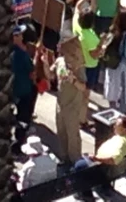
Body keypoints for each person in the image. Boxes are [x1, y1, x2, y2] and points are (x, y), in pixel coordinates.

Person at [70, 115, 126, 201]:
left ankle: (87, 196)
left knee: (79, 167)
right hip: (125, 166)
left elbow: (114, 160)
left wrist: (96, 159)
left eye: (117, 125)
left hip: (107, 170)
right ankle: (99, 190)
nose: (114, 126)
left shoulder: (121, 143)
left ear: (125, 130)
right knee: (82, 165)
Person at [54, 35, 86, 164]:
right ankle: (65, 158)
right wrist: (45, 63)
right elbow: (50, 74)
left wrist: (74, 81)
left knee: (73, 135)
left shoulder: (78, 67)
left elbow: (83, 87)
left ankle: (76, 161)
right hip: (60, 104)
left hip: (72, 106)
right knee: (61, 132)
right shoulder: (60, 61)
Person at [72, 8, 103, 125]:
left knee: (78, 92)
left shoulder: (76, 27)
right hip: (90, 67)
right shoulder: (92, 38)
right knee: (85, 96)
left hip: (79, 64)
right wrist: (101, 48)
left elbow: (76, 11)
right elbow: (94, 55)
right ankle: (82, 120)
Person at [103, 11, 126, 110]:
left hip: (111, 65)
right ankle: (121, 116)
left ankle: (111, 111)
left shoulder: (111, 32)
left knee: (111, 89)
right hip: (122, 67)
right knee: (122, 92)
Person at [12, 24, 36, 144]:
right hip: (23, 90)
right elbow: (31, 72)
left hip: (13, 90)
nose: (22, 36)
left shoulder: (12, 52)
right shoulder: (21, 55)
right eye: (19, 34)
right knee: (23, 118)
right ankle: (18, 143)